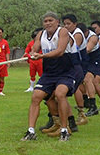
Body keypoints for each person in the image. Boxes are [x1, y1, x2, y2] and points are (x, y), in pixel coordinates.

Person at [21, 12, 74, 142]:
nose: (48, 23)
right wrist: (31, 54)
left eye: (51, 20)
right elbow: (35, 48)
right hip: (49, 73)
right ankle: (31, 131)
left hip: (65, 71)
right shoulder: (41, 34)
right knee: (36, 96)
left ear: (57, 22)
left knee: (60, 94)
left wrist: (41, 56)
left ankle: (64, 130)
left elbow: (60, 51)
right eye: (45, 21)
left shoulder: (63, 32)